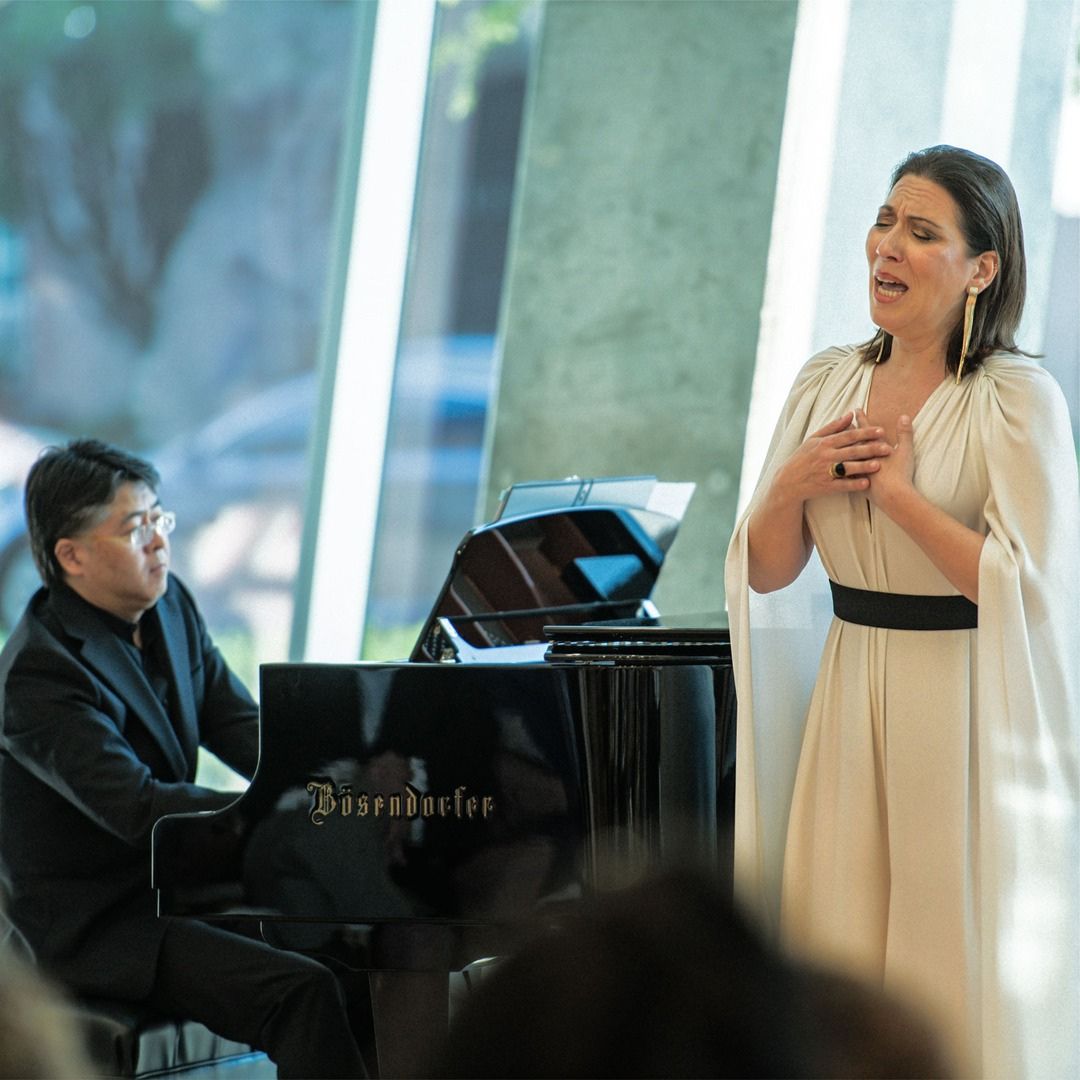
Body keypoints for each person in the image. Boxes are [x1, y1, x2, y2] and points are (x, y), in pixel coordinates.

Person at [725, 145, 1078, 1079]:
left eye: (922, 232)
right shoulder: (824, 382)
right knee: (833, 949)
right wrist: (794, 483)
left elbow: (1027, 590)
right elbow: (766, 572)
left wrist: (904, 500)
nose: (888, 245)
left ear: (982, 267)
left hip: (964, 713)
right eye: (886, 221)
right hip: (848, 693)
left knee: (942, 962)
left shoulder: (1016, 401)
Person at [0, 439, 367, 1078]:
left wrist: (341, 781)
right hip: (95, 925)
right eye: (135, 528)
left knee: (355, 948)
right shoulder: (40, 675)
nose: (159, 542)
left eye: (159, 519)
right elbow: (139, 807)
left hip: (173, 891)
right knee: (300, 988)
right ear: (72, 555)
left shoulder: (169, 608)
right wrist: (280, 811)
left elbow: (245, 726)